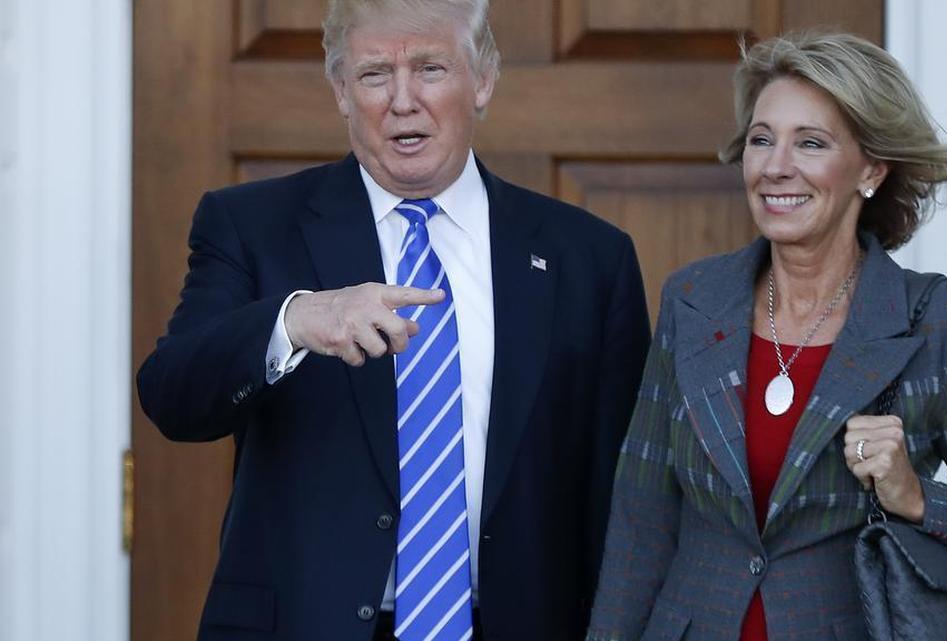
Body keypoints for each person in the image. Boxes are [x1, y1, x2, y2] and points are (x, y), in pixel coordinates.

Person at [136, 1, 650, 639]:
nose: (402, 101)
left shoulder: (589, 258)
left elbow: (625, 499)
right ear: (341, 92)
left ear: (483, 79)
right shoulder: (251, 227)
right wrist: (295, 320)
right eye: (375, 74)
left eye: (431, 69)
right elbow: (172, 395)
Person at [586, 32, 947, 641]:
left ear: (871, 169)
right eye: (762, 140)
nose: (775, 166)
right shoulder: (693, 300)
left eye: (811, 143)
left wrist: (916, 496)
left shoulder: (941, 322)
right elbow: (642, 522)